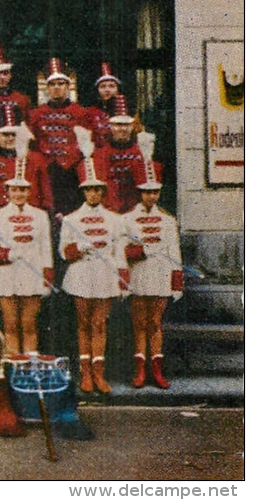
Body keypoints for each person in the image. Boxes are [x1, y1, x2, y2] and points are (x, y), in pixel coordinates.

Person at [58, 128, 130, 395]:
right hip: (81, 273)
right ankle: (85, 373)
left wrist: (124, 281)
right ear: (83, 192)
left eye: (97, 190)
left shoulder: (115, 219)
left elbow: (120, 252)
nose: (93, 194)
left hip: (106, 274)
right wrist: (83, 246)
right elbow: (64, 252)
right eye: (88, 190)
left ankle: (99, 374)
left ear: (103, 191)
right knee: (83, 324)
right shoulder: (71, 219)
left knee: (100, 324)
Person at [123, 132, 183, 389]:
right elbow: (122, 251)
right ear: (139, 192)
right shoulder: (127, 219)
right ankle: (140, 371)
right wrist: (139, 253)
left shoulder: (169, 220)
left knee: (155, 323)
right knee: (139, 323)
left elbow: (174, 253)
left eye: (155, 192)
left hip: (160, 274)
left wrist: (177, 282)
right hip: (138, 274)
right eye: (146, 192)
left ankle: (156, 371)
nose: (151, 197)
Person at [0, 165, 55, 356]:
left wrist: (47, 279)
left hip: (32, 273)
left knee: (29, 324)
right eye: (14, 189)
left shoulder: (40, 216)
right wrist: (8, 255)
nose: (18, 194)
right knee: (11, 324)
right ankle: (13, 368)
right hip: (7, 274)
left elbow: (46, 249)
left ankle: (29, 368)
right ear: (7, 191)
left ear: (29, 191)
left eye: (22, 189)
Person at [28, 58, 92, 215]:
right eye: (52, 84)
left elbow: (88, 144)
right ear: (47, 87)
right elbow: (32, 144)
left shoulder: (81, 113)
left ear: (68, 86)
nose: (56, 88)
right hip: (46, 171)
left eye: (60, 83)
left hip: (71, 172)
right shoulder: (36, 114)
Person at [0, 107, 52, 214]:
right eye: (5, 134)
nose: (11, 138)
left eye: (14, 134)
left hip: (32, 215)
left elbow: (46, 193)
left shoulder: (37, 159)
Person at [95, 94, 148, 214]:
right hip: (108, 212)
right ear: (110, 126)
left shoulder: (142, 153)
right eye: (118, 125)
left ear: (132, 126)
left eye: (126, 125)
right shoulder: (100, 154)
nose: (122, 129)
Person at [87, 62, 124, 147]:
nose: (107, 90)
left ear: (118, 89)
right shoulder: (89, 113)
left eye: (111, 86)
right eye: (103, 86)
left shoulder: (128, 112)